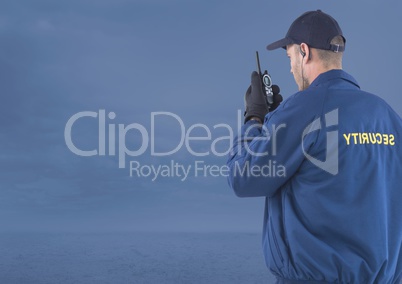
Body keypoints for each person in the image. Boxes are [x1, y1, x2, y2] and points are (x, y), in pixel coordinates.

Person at [227, 10, 402, 284]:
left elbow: (243, 177)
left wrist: (255, 118)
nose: (290, 67)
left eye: (290, 57)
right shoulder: (388, 116)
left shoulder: (302, 110)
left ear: (304, 52)